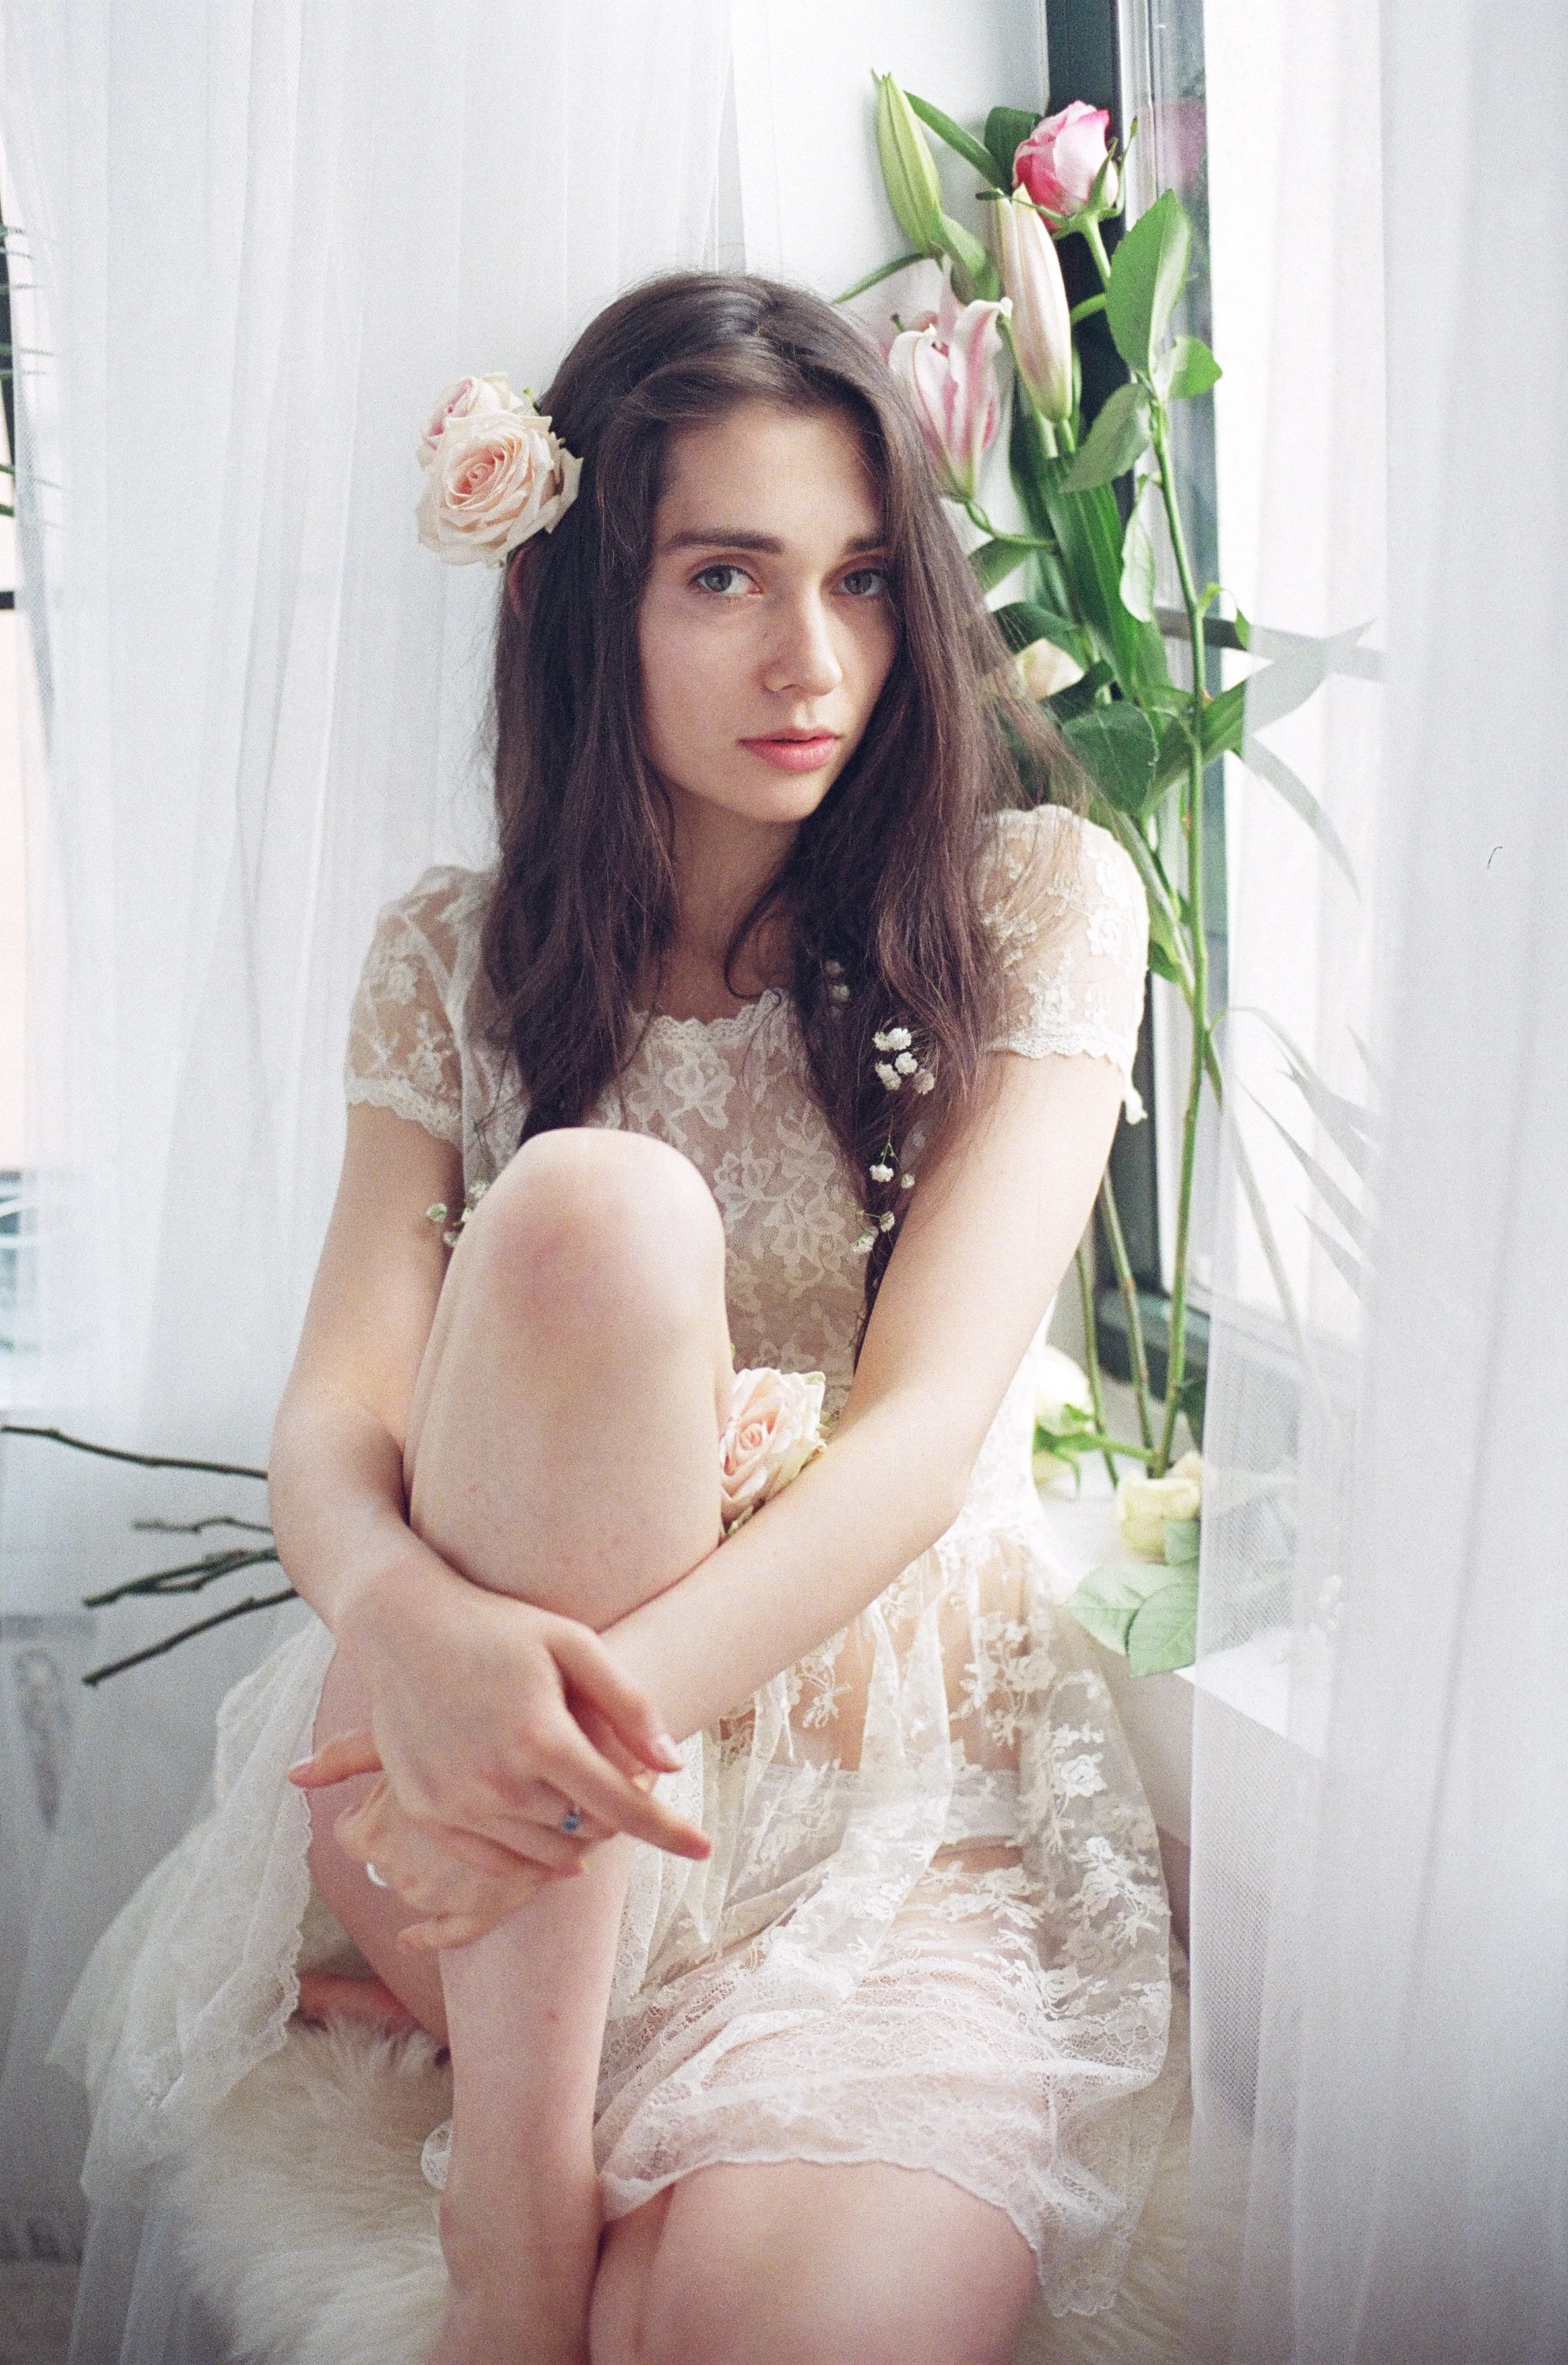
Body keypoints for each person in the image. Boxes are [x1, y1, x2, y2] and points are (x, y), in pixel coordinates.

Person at [55, 273, 1177, 2365]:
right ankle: (517, 2204)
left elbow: (928, 1434)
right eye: (723, 575)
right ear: (587, 606)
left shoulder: (1033, 902)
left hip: (856, 1785)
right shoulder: (455, 959)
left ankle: (599, 2139)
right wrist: (428, 1642)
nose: (812, 659)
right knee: (589, 1218)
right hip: (453, 1780)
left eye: (857, 577)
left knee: (771, 2330)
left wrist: (546, 1751)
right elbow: (335, 1426)